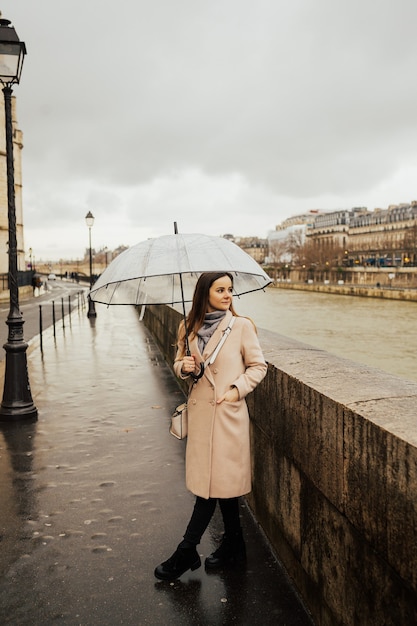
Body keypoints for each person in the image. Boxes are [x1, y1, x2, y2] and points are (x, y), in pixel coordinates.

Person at [154, 271, 267, 581]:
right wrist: (184, 366)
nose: (228, 295)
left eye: (230, 289)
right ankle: (235, 545)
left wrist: (235, 391)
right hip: (202, 416)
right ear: (205, 294)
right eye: (221, 290)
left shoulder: (242, 326)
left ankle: (186, 549)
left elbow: (259, 366)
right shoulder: (187, 327)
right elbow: (179, 363)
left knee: (210, 488)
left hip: (228, 416)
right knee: (222, 486)